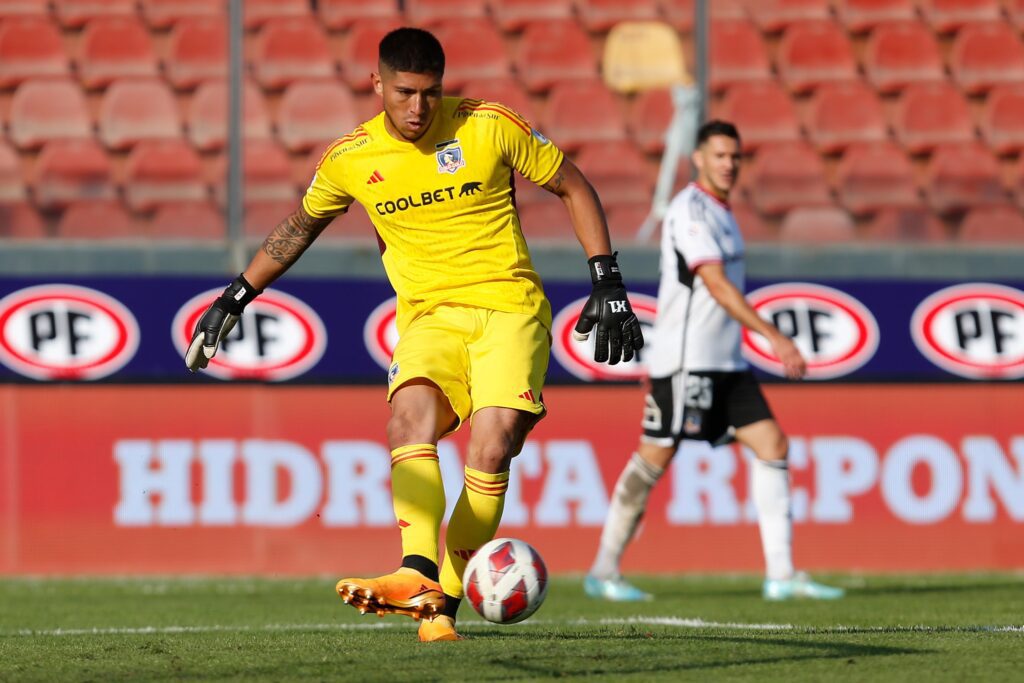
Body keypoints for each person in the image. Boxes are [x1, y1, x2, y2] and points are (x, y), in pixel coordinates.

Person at [185, 28, 644, 641]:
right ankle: (417, 571)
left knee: (494, 442)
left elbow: (572, 185)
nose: (418, 108)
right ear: (377, 84)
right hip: (429, 317)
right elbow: (299, 226)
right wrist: (234, 297)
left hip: (509, 308)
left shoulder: (489, 124)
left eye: (430, 93)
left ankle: (440, 606)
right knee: (408, 418)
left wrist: (606, 281)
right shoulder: (352, 157)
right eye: (404, 93)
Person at [584, 120, 844, 603]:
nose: (728, 164)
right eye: (720, 155)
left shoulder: (723, 212)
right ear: (699, 158)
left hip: (726, 362)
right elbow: (716, 284)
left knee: (772, 443)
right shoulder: (691, 210)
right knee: (654, 458)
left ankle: (782, 575)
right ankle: (604, 570)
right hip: (688, 362)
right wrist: (772, 335)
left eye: (735, 157)